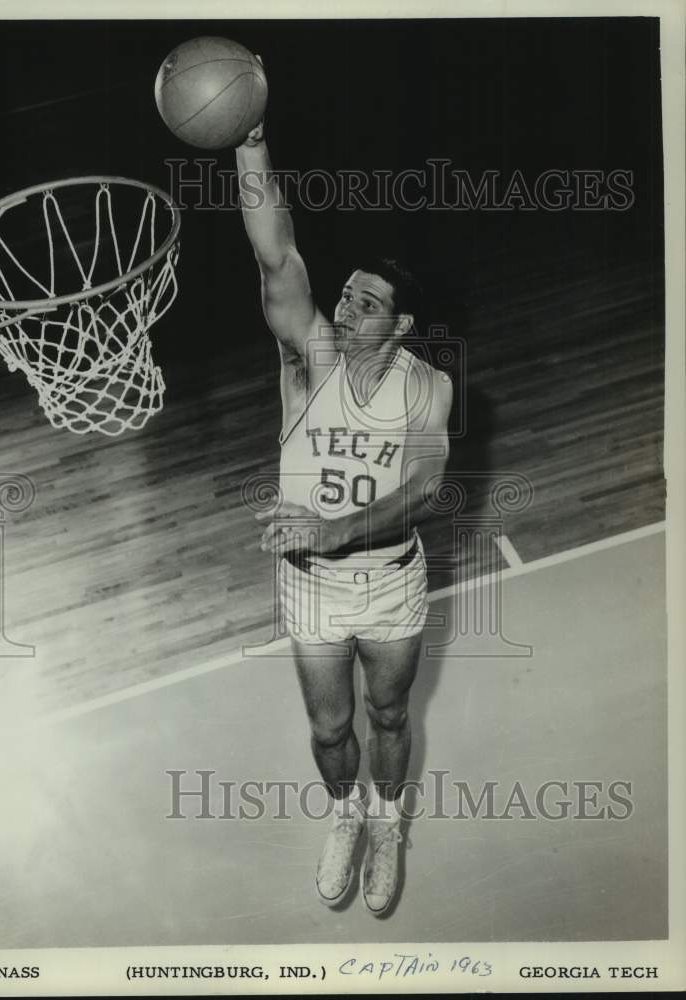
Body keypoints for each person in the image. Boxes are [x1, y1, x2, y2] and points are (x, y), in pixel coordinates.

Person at [235, 119, 453, 916]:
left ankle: (389, 824)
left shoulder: (427, 388)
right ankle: (346, 813)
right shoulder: (310, 356)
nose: (345, 301)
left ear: (398, 328)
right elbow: (275, 253)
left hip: (390, 583)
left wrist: (333, 528)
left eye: (367, 301)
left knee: (389, 712)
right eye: (346, 291)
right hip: (310, 590)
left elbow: (425, 489)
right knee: (331, 733)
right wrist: (250, 140)